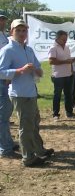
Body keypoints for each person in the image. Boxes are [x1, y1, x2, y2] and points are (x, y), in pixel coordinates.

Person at [0, 19, 53, 166]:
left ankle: (39, 150)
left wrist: (37, 70)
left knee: (34, 123)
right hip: (19, 93)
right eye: (18, 30)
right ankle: (28, 158)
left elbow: (39, 70)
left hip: (31, 91)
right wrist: (19, 70)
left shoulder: (28, 49)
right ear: (12, 32)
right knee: (26, 126)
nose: (22, 33)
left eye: (24, 30)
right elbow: (1, 72)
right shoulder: (7, 50)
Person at [48, 30, 75, 120]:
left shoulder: (67, 47)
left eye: (66, 39)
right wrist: (65, 62)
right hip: (58, 76)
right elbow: (51, 61)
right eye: (63, 39)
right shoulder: (53, 48)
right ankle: (55, 114)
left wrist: (72, 70)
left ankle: (69, 112)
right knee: (57, 95)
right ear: (57, 38)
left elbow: (69, 59)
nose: (65, 41)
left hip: (68, 74)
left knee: (68, 94)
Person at [0, 12, 19, 159]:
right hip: (2, 78)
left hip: (7, 78)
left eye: (4, 19)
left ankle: (7, 142)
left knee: (6, 112)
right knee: (3, 115)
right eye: (1, 19)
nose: (3, 22)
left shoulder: (4, 35)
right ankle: (5, 148)